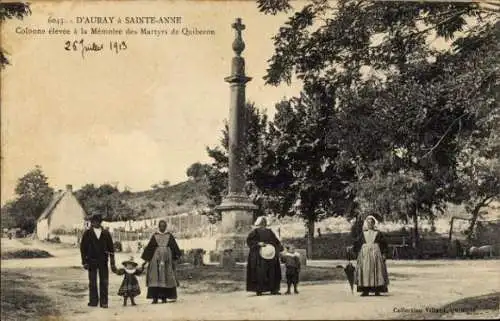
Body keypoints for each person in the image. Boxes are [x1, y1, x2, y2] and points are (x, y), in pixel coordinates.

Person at [141, 220, 182, 304]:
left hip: (167, 260)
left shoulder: (169, 236)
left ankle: (164, 297)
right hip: (155, 260)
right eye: (161, 226)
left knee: (166, 276)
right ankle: (155, 298)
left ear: (166, 227)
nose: (162, 228)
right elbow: (150, 248)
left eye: (164, 226)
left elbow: (174, 247)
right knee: (155, 277)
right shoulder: (155, 236)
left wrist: (176, 257)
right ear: (159, 227)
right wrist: (146, 260)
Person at [80, 213, 116, 308]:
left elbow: (111, 249)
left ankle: (104, 302)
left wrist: (113, 263)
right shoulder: (87, 233)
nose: (95, 223)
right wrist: (84, 262)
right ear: (91, 222)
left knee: (104, 281)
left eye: (97, 221)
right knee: (92, 282)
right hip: (91, 261)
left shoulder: (106, 233)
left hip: (103, 261)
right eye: (93, 221)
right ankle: (93, 301)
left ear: (100, 222)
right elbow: (83, 248)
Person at [246, 216, 284, 296]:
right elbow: (249, 241)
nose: (263, 224)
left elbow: (276, 241)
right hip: (259, 256)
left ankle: (273, 289)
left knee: (272, 272)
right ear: (258, 223)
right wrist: (258, 243)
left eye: (264, 222)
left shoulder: (270, 232)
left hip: (270, 254)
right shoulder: (255, 232)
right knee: (260, 272)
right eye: (262, 223)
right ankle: (259, 290)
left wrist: (277, 247)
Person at [353, 215, 389, 296]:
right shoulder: (363, 233)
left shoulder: (378, 233)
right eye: (368, 223)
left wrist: (384, 254)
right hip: (365, 255)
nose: (370, 225)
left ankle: (377, 290)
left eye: (371, 223)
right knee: (365, 271)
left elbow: (384, 244)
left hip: (376, 255)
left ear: (373, 224)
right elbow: (357, 243)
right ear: (366, 224)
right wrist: (357, 253)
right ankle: (365, 290)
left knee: (377, 271)